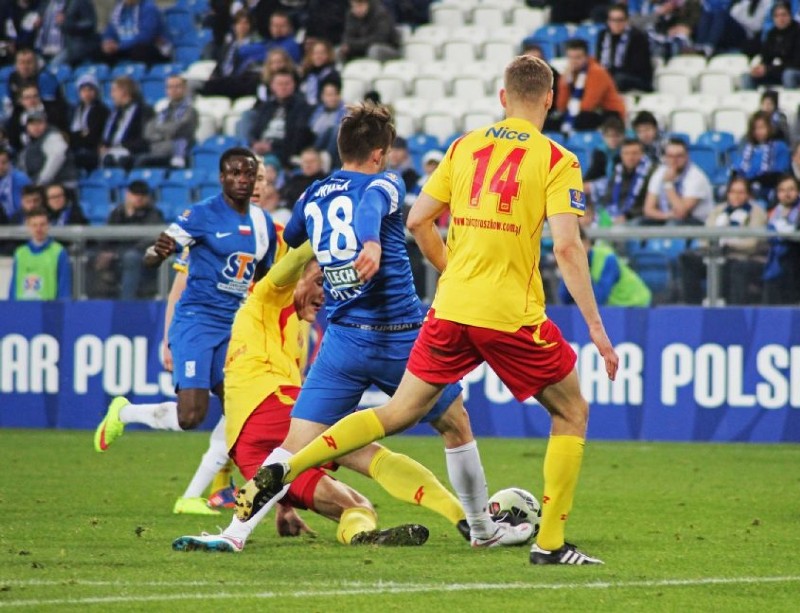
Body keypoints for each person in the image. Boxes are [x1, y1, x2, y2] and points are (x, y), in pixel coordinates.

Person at [236, 56, 620, 566]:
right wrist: (596, 327)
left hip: (448, 308)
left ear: (502, 98)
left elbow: (419, 220)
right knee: (571, 411)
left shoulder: (463, 146)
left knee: (398, 413)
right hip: (510, 314)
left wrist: (453, 267)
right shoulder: (558, 161)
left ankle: (289, 464)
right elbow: (568, 250)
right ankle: (550, 544)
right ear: (550, 99)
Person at [227, 101, 534, 551]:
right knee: (455, 424)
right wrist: (369, 240)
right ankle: (483, 532)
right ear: (378, 154)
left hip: (342, 342)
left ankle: (234, 533)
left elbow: (293, 235)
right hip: (399, 338)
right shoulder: (386, 182)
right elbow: (371, 201)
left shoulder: (313, 194)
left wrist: (324, 255)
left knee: (293, 446)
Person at [172, 254, 470, 551]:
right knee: (367, 454)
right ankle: (463, 516)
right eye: (318, 281)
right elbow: (294, 259)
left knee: (356, 506)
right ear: (295, 279)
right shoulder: (267, 296)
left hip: (249, 449)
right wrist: (321, 229)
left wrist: (282, 504)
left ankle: (359, 535)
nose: (324, 294)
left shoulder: (298, 331)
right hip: (273, 406)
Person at [94, 150, 277, 491]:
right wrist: (157, 253)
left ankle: (233, 488)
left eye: (248, 174)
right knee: (190, 416)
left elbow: (266, 279)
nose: (241, 179)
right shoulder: (202, 214)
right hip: (196, 321)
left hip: (233, 327)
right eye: (233, 173)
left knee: (243, 407)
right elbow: (153, 256)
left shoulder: (264, 224)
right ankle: (124, 413)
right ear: (221, 177)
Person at [679, 177, 768, 305]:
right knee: (687, 258)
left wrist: (728, 244)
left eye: (741, 192)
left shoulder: (757, 212)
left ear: (748, 194)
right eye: (732, 192)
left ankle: (734, 312)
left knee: (736, 268)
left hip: (739, 257)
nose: (736, 196)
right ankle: (693, 306)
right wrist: (715, 246)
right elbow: (705, 237)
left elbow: (752, 243)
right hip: (714, 255)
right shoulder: (718, 210)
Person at [89, 180, 163, 299]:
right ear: (128, 195)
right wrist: (105, 251)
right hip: (117, 258)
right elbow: (108, 236)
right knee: (90, 256)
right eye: (135, 195)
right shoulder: (118, 212)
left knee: (131, 257)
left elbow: (150, 240)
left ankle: (126, 302)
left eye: (142, 195)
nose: (138, 198)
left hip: (143, 261)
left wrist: (118, 253)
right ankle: (92, 302)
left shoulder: (153, 214)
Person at [762, 174, 800, 305]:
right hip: (772, 266)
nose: (787, 194)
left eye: (791, 189)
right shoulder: (771, 214)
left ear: (798, 191)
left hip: (796, 267)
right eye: (782, 190)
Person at [559, 228, 651, 307]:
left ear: (587, 243)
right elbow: (564, 298)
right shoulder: (571, 263)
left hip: (636, 302)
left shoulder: (607, 258)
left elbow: (599, 299)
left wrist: (581, 271)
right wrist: (570, 272)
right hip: (615, 307)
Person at [744, 1, 800, 90]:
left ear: (790, 16)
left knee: (789, 74)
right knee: (746, 76)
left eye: (784, 15)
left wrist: (770, 69)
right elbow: (766, 58)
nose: (781, 19)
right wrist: (761, 68)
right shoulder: (772, 34)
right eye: (777, 16)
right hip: (777, 72)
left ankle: (790, 101)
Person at [555, 39, 625, 133]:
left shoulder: (597, 72)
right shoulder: (569, 73)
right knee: (551, 122)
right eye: (571, 57)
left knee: (581, 120)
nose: (574, 61)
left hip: (609, 113)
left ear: (586, 57)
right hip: (584, 111)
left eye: (578, 57)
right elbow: (561, 106)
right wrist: (565, 83)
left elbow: (589, 105)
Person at [249, 69, 314, 171]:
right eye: (279, 84)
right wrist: (255, 143)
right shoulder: (265, 107)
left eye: (287, 84)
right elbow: (255, 130)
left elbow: (298, 137)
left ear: (294, 85)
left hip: (282, 153)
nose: (283, 87)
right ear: (272, 86)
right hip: (259, 149)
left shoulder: (302, 107)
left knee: (265, 168)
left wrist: (272, 146)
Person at [642, 138, 714, 225]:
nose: (674, 160)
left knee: (672, 226)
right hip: (667, 217)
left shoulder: (696, 177)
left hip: (696, 221)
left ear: (687, 156)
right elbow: (648, 209)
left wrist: (668, 184)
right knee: (636, 225)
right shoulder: (660, 172)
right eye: (670, 156)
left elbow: (681, 213)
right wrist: (667, 216)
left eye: (679, 156)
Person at [8, 207, 71, 300]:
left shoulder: (59, 252)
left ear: (48, 226)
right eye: (34, 225)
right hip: (23, 310)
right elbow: (14, 286)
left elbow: (64, 288)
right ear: (28, 227)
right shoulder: (20, 253)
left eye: (42, 224)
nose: (38, 229)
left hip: (47, 310)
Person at [135, 76, 198, 169]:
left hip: (176, 152)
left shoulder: (190, 111)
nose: (173, 90)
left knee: (141, 161)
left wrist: (159, 131)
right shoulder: (162, 111)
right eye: (170, 87)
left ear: (184, 89)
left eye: (177, 86)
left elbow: (176, 129)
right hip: (156, 149)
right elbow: (148, 132)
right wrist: (164, 135)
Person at [592, 137, 655, 226]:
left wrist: (627, 216)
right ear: (621, 155)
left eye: (634, 153)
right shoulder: (618, 171)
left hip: (638, 218)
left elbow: (648, 203)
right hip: (616, 216)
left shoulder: (650, 172)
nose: (630, 157)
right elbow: (608, 197)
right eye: (626, 153)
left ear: (642, 154)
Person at [732, 111, 790, 203]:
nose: (758, 132)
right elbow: (737, 170)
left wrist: (753, 182)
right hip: (744, 190)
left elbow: (778, 174)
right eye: (755, 128)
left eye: (762, 127)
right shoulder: (747, 147)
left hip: (767, 189)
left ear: (770, 128)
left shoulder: (780, 147)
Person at [596, 4, 653, 92]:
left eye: (620, 20)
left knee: (618, 79)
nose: (616, 24)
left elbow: (638, 66)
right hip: (611, 75)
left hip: (636, 78)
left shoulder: (637, 37)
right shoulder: (603, 35)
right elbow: (599, 60)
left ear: (626, 21)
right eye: (612, 20)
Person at [100, 77, 153, 170]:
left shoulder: (143, 111)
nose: (112, 95)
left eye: (114, 91)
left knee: (120, 160)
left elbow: (145, 138)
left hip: (132, 151)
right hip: (113, 151)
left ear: (124, 91)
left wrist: (124, 146)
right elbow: (108, 137)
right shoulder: (116, 112)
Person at [19, 110, 78, 189]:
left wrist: (41, 182)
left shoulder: (53, 136)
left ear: (46, 124)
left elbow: (57, 156)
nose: (36, 127)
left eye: (40, 123)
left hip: (61, 185)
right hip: (41, 185)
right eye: (32, 124)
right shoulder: (30, 142)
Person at [101, 0, 170, 66]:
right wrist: (108, 42)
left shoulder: (149, 8)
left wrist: (120, 47)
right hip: (124, 47)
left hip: (149, 47)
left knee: (140, 50)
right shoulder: (118, 9)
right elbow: (111, 29)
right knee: (99, 51)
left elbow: (145, 37)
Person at [35, 0, 99, 67]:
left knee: (52, 69)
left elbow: (90, 23)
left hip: (69, 48)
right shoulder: (45, 2)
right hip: (44, 49)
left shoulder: (80, 1)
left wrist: (67, 23)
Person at [68, 75, 109, 173]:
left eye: (90, 90)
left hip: (92, 149)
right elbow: (72, 134)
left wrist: (80, 135)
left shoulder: (101, 110)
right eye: (83, 90)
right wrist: (81, 134)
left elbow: (93, 135)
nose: (87, 94)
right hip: (76, 147)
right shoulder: (74, 110)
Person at [0, 147, 31, 225]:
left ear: (9, 162)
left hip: (20, 221)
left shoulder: (21, 178)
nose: (1, 166)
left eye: (4, 162)